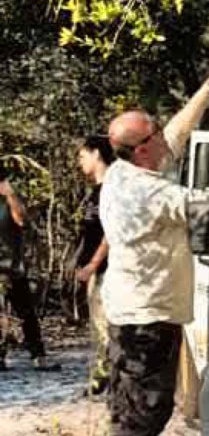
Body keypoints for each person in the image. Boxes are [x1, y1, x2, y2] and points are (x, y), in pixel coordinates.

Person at [101, 76, 209, 436]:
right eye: (152, 132)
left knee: (141, 407)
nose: (162, 136)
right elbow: (203, 206)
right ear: (141, 148)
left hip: (142, 312)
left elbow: (174, 135)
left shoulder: (125, 171)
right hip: (144, 318)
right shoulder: (148, 192)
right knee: (141, 409)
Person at [0, 174, 54, 371]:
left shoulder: (9, 201)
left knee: (25, 312)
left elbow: (22, 220)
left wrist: (10, 194)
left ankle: (38, 356)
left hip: (11, 267)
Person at [75, 133, 114, 396]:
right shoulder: (95, 191)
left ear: (97, 153)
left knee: (108, 331)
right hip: (95, 272)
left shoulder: (113, 187)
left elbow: (112, 232)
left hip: (108, 271)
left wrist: (93, 263)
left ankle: (107, 380)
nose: (79, 162)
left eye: (82, 155)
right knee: (100, 330)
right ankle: (101, 378)